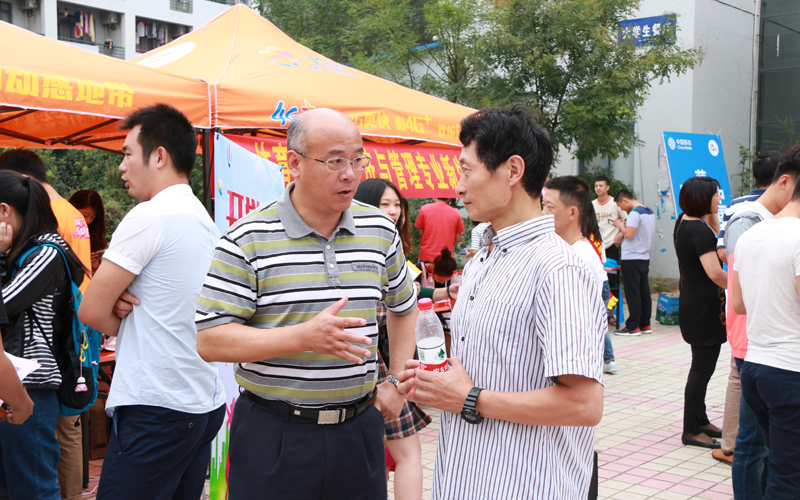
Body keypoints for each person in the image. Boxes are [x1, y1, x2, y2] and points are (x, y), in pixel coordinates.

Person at [194, 108, 418, 500]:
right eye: (335, 161)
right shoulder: (247, 238)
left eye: (357, 160)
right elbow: (210, 340)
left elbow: (405, 307)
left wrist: (396, 382)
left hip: (358, 428)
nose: (349, 174)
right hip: (274, 432)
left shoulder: (380, 229)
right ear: (294, 163)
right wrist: (302, 337)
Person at [397, 104, 605, 499]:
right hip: (465, 478)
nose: (458, 187)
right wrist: (436, 381)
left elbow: (584, 404)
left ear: (512, 170)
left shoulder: (557, 268)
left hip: (526, 485)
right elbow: (487, 368)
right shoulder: (482, 261)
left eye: (467, 170)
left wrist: (470, 398)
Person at [79, 104, 226, 500]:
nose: (122, 166)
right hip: (202, 401)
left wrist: (122, 314)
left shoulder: (150, 215)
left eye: (127, 153)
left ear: (159, 156)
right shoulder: (205, 221)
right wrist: (129, 310)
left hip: (157, 405)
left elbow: (90, 310)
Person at [0, 148, 92, 500]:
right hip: (11, 385)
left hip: (31, 389)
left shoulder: (46, 253)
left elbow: (4, 304)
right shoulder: (18, 252)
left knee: (34, 489)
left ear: (4, 211)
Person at [724, 149, 800, 495]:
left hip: (756, 369)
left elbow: (739, 304)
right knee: (787, 479)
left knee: (777, 465)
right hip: (790, 372)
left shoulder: (752, 233)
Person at [354, 178, 431, 500]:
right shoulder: (372, 248)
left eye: (397, 204)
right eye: (384, 204)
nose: (393, 211)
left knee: (385, 455)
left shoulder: (390, 246)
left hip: (387, 364)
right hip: (378, 365)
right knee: (405, 455)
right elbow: (388, 311)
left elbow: (407, 304)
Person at [672, 176, 728, 449]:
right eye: (716, 195)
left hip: (693, 304)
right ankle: (691, 430)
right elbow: (716, 273)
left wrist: (711, 216)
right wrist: (745, 286)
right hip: (704, 309)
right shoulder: (700, 232)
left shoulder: (683, 221)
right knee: (702, 370)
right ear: (703, 198)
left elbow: (714, 231)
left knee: (702, 368)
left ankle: (701, 420)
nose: (719, 199)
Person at [544, 175, 617, 374]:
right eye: (543, 206)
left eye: (549, 207)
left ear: (572, 212)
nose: (543, 213)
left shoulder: (577, 258)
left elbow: (577, 324)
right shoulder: (568, 249)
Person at [716, 150, 781, 264]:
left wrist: (739, 270)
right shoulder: (788, 205)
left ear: (755, 177)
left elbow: (722, 251)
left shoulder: (735, 205)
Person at [612, 189, 655, 335]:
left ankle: (632, 326)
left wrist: (620, 226)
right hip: (644, 257)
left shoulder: (635, 213)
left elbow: (629, 234)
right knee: (644, 292)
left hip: (631, 258)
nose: (622, 209)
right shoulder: (649, 211)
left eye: (620, 206)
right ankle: (645, 324)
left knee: (632, 292)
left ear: (625, 200)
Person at [592, 175, 627, 286]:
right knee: (596, 278)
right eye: (596, 186)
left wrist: (620, 235)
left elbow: (627, 220)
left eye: (601, 185)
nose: (598, 188)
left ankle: (612, 297)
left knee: (611, 279)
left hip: (611, 245)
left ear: (607, 187)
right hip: (596, 245)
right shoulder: (592, 205)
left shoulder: (615, 203)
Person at [414, 198, 465, 262]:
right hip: (446, 258)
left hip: (426, 256)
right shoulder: (456, 213)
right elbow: (458, 239)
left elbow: (421, 233)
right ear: (448, 198)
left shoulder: (424, 209)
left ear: (434, 196)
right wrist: (449, 245)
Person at [69, 190, 107, 274]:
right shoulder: (60, 231)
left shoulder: (93, 236)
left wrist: (94, 266)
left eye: (93, 217)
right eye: (84, 216)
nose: (88, 221)